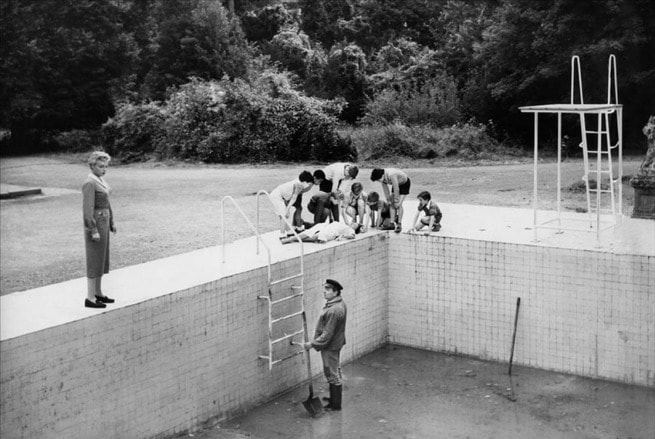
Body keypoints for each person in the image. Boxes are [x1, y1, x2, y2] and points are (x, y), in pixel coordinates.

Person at [303, 279, 347, 411]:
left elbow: (327, 334)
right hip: (335, 344)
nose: (325, 291)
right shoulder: (339, 303)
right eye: (325, 288)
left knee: (331, 372)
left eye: (328, 289)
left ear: (335, 292)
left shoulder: (333, 310)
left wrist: (312, 344)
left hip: (330, 346)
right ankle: (334, 399)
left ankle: (335, 404)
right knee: (334, 370)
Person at [83, 151, 117, 309]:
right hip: (96, 224)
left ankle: (98, 292)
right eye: (101, 166)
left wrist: (112, 222)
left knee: (101, 259)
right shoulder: (90, 183)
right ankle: (90, 297)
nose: (104, 169)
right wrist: (93, 229)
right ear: (92, 166)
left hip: (103, 222)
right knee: (94, 259)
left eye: (106, 167)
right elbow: (87, 210)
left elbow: (106, 202)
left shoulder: (100, 179)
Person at [270, 171, 314, 237]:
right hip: (277, 195)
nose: (308, 185)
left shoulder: (298, 181)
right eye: (308, 183)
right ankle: (282, 235)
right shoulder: (299, 185)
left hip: (279, 195)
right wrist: (287, 209)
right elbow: (294, 198)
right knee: (283, 215)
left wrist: (287, 208)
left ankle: (289, 232)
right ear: (305, 182)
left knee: (283, 215)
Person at [370, 168, 410, 233]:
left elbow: (396, 187)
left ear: (382, 175)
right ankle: (391, 224)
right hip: (397, 184)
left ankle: (399, 224)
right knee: (391, 203)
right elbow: (385, 189)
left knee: (398, 204)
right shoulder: (382, 179)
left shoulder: (391, 174)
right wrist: (388, 199)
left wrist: (396, 200)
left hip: (404, 183)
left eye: (378, 179)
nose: (378, 181)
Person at [279, 220, 361, 244]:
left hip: (331, 232)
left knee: (316, 236)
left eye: (355, 225)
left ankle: (290, 239)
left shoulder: (350, 230)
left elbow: (353, 236)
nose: (353, 224)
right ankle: (292, 239)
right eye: (354, 223)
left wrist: (342, 236)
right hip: (326, 226)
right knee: (309, 232)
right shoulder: (345, 224)